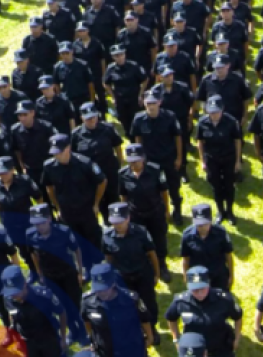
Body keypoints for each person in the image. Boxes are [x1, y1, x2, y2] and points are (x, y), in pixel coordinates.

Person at [81, 263, 154, 357]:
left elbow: (145, 319)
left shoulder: (131, 298)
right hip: (108, 350)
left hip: (131, 346)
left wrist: (150, 336)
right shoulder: (88, 301)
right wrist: (91, 339)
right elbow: (86, 321)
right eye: (98, 289)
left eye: (105, 288)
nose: (102, 292)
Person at [0, 265, 69, 357]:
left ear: (24, 283)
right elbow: (12, 316)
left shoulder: (43, 295)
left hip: (47, 337)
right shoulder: (9, 298)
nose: (14, 296)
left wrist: (63, 338)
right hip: (29, 342)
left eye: (16, 291)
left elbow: (62, 312)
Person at [25, 203, 87, 345]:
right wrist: (40, 274)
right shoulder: (30, 235)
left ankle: (83, 331)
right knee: (61, 305)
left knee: (75, 303)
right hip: (50, 276)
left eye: (42, 222)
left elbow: (77, 250)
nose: (39, 226)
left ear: (49, 219)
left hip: (68, 273)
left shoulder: (63, 231)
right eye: (36, 224)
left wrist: (80, 272)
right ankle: (73, 330)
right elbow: (34, 254)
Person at [42, 133, 107, 265]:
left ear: (68, 148)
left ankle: (99, 263)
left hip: (86, 209)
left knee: (93, 236)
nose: (56, 156)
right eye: (54, 153)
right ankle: (85, 265)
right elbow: (49, 187)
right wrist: (58, 207)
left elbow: (102, 181)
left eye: (59, 152)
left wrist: (96, 204)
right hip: (67, 211)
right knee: (76, 239)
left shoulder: (84, 163)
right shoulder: (49, 166)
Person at [102, 202, 160, 340]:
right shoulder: (107, 236)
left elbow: (152, 254)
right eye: (115, 222)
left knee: (149, 302)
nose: (118, 225)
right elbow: (108, 257)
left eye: (120, 221)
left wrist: (156, 274)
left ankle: (151, 327)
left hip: (143, 274)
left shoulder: (140, 232)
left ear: (128, 218)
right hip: (123, 277)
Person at [165, 266, 243, 357]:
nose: (200, 293)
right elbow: (171, 318)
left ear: (208, 283)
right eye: (195, 290)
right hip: (193, 349)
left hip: (221, 348)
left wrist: (237, 338)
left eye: (203, 288)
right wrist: (176, 339)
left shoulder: (224, 299)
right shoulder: (181, 301)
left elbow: (238, 317)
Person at [117, 143, 171, 280]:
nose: (134, 164)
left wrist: (167, 210)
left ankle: (162, 266)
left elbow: (164, 191)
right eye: (131, 161)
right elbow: (123, 195)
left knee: (159, 240)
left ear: (143, 158)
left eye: (136, 160)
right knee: (140, 241)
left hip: (155, 212)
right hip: (136, 215)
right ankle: (148, 266)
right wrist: (125, 215)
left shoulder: (155, 170)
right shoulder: (123, 175)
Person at [130, 89, 184, 224]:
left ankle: (177, 210)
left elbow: (178, 137)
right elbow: (138, 139)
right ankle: (161, 212)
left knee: (173, 186)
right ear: (144, 103)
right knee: (154, 188)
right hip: (150, 160)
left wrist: (179, 158)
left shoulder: (170, 117)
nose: (151, 106)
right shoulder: (138, 119)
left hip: (168, 158)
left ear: (159, 102)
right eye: (148, 103)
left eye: (154, 103)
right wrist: (140, 158)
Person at [196, 95, 243, 224]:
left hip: (228, 158)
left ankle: (230, 211)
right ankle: (220, 211)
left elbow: (237, 141)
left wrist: (238, 160)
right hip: (212, 159)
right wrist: (202, 161)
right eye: (211, 112)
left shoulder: (231, 122)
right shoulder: (202, 123)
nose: (214, 114)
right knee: (216, 187)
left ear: (222, 109)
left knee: (229, 186)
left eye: (216, 111)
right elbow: (200, 142)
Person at [181, 203, 235, 290]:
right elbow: (185, 258)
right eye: (198, 225)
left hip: (218, 275)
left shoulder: (220, 232)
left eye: (204, 224)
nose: (201, 227)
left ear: (210, 221)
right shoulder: (187, 235)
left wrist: (231, 276)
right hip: (198, 276)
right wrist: (185, 276)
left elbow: (228, 255)